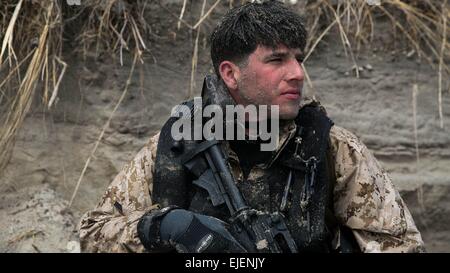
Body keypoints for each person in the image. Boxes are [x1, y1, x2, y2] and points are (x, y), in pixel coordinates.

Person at [79, 0, 425, 253]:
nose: (297, 73)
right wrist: (167, 226)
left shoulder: (331, 148)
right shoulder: (178, 143)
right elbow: (91, 235)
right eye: (277, 60)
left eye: (299, 59)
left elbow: (401, 246)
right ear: (231, 74)